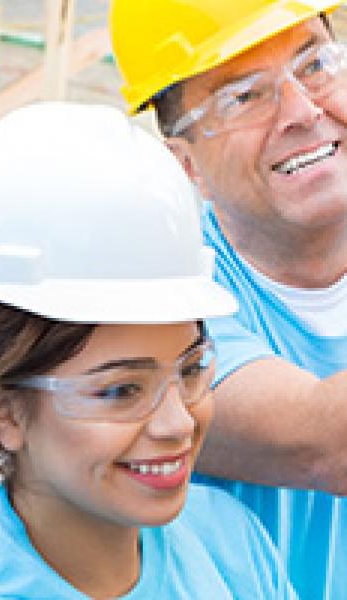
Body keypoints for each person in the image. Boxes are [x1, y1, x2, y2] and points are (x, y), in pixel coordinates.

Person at [0, 102, 294, 598]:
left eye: (189, 371)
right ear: (3, 412)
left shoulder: (228, 538)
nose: (179, 424)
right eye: (121, 390)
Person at [109, 1, 347, 597]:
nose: (301, 110)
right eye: (244, 97)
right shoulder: (168, 308)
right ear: (183, 162)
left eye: (315, 64)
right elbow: (327, 444)